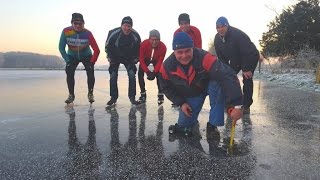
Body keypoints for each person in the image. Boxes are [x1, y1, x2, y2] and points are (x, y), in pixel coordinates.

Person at [159, 32, 243, 137]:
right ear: (174, 52)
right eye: (180, 52)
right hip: (192, 94)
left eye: (187, 51)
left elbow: (227, 75)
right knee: (184, 125)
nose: (184, 56)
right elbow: (166, 87)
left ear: (192, 48)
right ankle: (192, 122)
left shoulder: (204, 57)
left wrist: (237, 105)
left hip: (209, 87)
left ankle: (212, 125)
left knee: (216, 83)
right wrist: (181, 103)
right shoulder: (167, 66)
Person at [214, 16, 259, 114]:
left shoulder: (237, 34)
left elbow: (247, 52)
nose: (221, 29)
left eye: (223, 26)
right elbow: (221, 57)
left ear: (227, 26)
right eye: (218, 27)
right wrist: (225, 70)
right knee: (228, 77)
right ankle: (230, 102)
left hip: (250, 56)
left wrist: (246, 68)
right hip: (237, 58)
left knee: (246, 77)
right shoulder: (217, 39)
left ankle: (246, 105)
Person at [59, 13, 100, 104]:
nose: (78, 25)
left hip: (86, 55)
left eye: (80, 24)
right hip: (72, 56)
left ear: (83, 24)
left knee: (90, 71)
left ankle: (90, 93)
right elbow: (61, 47)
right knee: (69, 72)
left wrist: (92, 62)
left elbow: (97, 50)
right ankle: (71, 95)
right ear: (72, 23)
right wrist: (67, 60)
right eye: (75, 23)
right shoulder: (66, 31)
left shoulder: (88, 33)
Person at [105, 16, 141, 105]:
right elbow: (107, 46)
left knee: (132, 75)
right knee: (113, 75)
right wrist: (109, 57)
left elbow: (139, 50)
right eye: (125, 25)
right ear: (121, 25)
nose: (127, 28)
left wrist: (136, 58)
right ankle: (113, 97)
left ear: (131, 27)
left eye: (129, 26)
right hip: (115, 56)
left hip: (129, 58)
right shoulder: (113, 33)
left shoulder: (136, 35)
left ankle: (132, 98)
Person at [137, 29, 167, 104]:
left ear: (159, 40)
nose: (154, 42)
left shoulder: (163, 47)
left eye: (157, 40)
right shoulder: (143, 44)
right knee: (140, 72)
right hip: (146, 59)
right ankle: (143, 93)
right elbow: (141, 59)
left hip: (156, 60)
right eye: (152, 40)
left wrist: (154, 72)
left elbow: (160, 62)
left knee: (160, 74)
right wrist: (147, 71)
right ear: (149, 39)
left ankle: (160, 93)